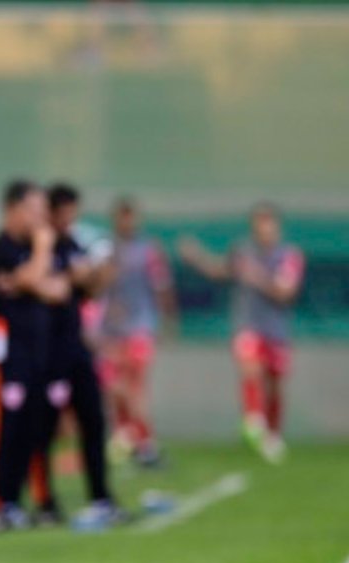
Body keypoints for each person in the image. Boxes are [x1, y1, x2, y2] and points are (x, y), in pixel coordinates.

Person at [179, 203, 304, 463]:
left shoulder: (289, 256)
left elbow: (285, 293)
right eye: (259, 226)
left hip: (277, 329)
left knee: (275, 385)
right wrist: (197, 257)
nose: (264, 231)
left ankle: (272, 433)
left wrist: (256, 276)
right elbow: (220, 271)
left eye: (269, 225)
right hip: (248, 325)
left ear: (277, 227)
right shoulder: (242, 251)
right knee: (250, 367)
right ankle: (253, 419)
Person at [0, 180, 61, 529]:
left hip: (36, 350)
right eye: (35, 210)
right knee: (0, 425)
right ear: (13, 209)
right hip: (6, 353)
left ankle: (21, 498)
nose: (42, 220)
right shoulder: (1, 247)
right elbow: (34, 280)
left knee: (34, 426)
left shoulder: (29, 251)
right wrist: (40, 256)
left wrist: (31, 279)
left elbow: (58, 290)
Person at [43, 183, 122, 530]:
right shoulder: (42, 244)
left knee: (94, 420)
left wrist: (100, 276)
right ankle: (44, 501)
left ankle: (101, 496)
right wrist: (67, 277)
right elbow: (48, 287)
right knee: (44, 428)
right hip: (48, 351)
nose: (71, 219)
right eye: (66, 212)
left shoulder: (73, 244)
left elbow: (87, 289)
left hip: (77, 348)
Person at [98, 197, 176, 468]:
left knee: (136, 386)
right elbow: (97, 288)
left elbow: (162, 286)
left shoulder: (149, 250)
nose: (127, 222)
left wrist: (168, 319)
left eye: (131, 216)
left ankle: (145, 442)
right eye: (122, 216)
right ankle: (126, 434)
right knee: (111, 385)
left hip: (140, 327)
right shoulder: (105, 249)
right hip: (110, 331)